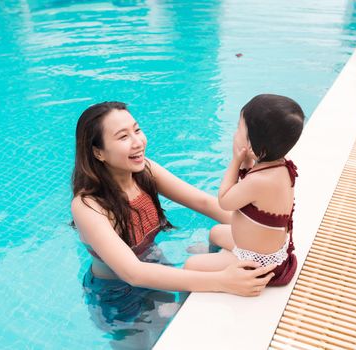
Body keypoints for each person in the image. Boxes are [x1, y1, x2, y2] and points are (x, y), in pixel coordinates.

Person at [70, 101, 276, 348]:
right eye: (123, 137)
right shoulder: (88, 205)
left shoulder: (144, 171)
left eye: (137, 130)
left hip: (155, 264)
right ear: (98, 152)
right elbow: (132, 273)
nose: (138, 142)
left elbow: (204, 202)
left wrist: (265, 229)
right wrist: (223, 279)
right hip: (116, 295)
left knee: (169, 331)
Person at [184, 94, 304, 287]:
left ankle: (186, 299)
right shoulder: (280, 165)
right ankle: (214, 256)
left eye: (239, 128)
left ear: (253, 144)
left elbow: (225, 200)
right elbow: (250, 185)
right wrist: (247, 161)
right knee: (215, 232)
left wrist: (235, 160)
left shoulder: (260, 181)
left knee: (191, 266)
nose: (235, 133)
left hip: (256, 263)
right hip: (252, 248)